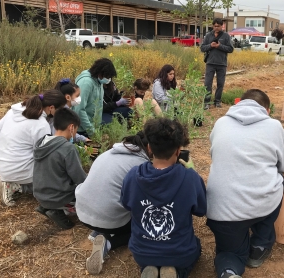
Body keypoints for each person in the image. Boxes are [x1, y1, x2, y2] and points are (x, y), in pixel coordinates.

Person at [206, 89, 284, 278]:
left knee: (229, 254)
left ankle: (229, 271)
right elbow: (281, 166)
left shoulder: (221, 122)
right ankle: (260, 244)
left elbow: (215, 156)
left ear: (238, 103)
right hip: (260, 204)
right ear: (266, 110)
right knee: (279, 180)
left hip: (222, 212)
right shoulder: (274, 126)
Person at [120, 118, 206, 278]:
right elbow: (201, 210)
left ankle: (149, 268)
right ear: (178, 151)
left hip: (142, 253)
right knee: (197, 246)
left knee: (151, 257)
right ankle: (177, 272)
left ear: (149, 148)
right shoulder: (190, 178)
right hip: (179, 252)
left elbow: (126, 204)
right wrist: (192, 172)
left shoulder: (132, 175)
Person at [76, 131, 150, 275]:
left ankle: (98, 229)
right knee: (143, 224)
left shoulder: (108, 153)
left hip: (82, 212)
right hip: (109, 219)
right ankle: (108, 242)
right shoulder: (141, 164)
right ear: (149, 148)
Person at [0, 90, 66, 207]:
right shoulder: (41, 124)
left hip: (1, 166)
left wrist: (8, 148)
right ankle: (17, 187)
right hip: (22, 170)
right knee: (54, 176)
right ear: (51, 107)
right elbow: (44, 154)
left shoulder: (13, 112)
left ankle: (9, 180)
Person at [33, 108, 86, 230]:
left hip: (40, 194)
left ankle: (47, 206)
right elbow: (79, 178)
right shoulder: (67, 148)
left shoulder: (42, 142)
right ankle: (58, 209)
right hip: (59, 197)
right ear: (71, 127)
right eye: (76, 130)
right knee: (87, 197)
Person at [73, 58, 117, 137]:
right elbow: (79, 109)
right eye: (107, 76)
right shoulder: (86, 83)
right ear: (99, 72)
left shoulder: (98, 82)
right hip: (81, 130)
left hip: (92, 127)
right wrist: (91, 131)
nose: (108, 79)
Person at [201, 18, 234, 110]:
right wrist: (210, 46)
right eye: (215, 26)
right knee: (207, 83)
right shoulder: (208, 36)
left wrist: (219, 46)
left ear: (222, 26)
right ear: (213, 26)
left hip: (221, 64)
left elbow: (230, 49)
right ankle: (207, 102)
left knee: (220, 83)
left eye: (218, 26)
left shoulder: (226, 36)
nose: (216, 28)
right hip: (210, 63)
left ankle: (217, 101)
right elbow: (202, 48)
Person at [54, 78, 89, 143]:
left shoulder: (66, 110)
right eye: (77, 95)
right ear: (68, 97)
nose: (79, 98)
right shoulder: (62, 114)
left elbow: (71, 132)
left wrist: (84, 139)